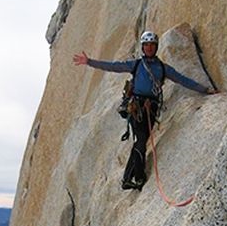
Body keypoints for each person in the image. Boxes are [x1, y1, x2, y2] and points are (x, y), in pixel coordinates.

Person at [73, 31, 217, 190]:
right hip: (136, 107)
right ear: (142, 47)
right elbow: (113, 67)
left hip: (151, 109)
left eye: (152, 45)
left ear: (156, 47)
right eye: (146, 45)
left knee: (140, 142)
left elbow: (183, 80)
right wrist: (89, 62)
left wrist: (205, 89)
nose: (149, 48)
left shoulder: (163, 68)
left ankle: (128, 178)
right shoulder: (135, 64)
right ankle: (138, 177)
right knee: (141, 141)